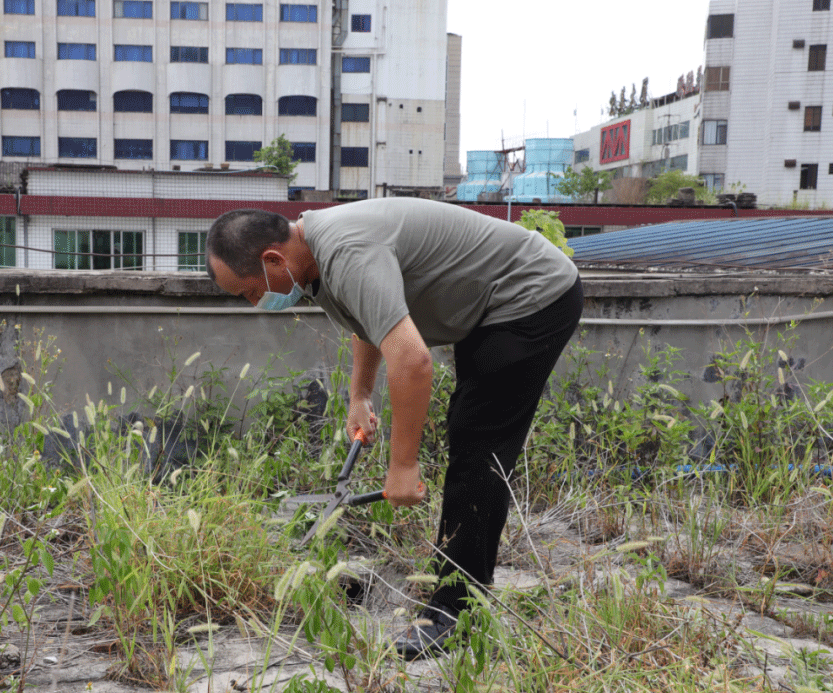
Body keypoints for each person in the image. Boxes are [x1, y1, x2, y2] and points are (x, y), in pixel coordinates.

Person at [205, 197, 582, 659]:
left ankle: (454, 613)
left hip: (531, 295)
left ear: (272, 259)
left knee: (478, 446)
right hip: (490, 308)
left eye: (248, 291)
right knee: (470, 434)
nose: (255, 302)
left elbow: (413, 359)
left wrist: (402, 466)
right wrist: (360, 395)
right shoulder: (314, 257)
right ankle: (456, 593)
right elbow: (370, 321)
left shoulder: (347, 249)